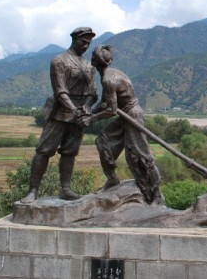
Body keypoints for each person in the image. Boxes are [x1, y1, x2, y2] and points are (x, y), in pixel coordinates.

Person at [78, 44, 162, 204]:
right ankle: (112, 179)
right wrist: (89, 112)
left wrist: (91, 119)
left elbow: (111, 110)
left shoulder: (109, 79)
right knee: (103, 141)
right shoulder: (108, 76)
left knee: (140, 157)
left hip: (133, 116)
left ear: (95, 61)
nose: (91, 60)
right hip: (126, 115)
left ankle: (156, 194)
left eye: (93, 58)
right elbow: (105, 103)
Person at [21, 27, 97, 203]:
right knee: (44, 150)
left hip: (79, 116)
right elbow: (60, 90)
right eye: (83, 41)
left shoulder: (88, 66)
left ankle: (66, 189)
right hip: (60, 112)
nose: (85, 46)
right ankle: (33, 190)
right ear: (74, 39)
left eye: (88, 43)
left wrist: (85, 107)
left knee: (70, 153)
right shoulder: (59, 61)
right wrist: (73, 108)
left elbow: (93, 92)